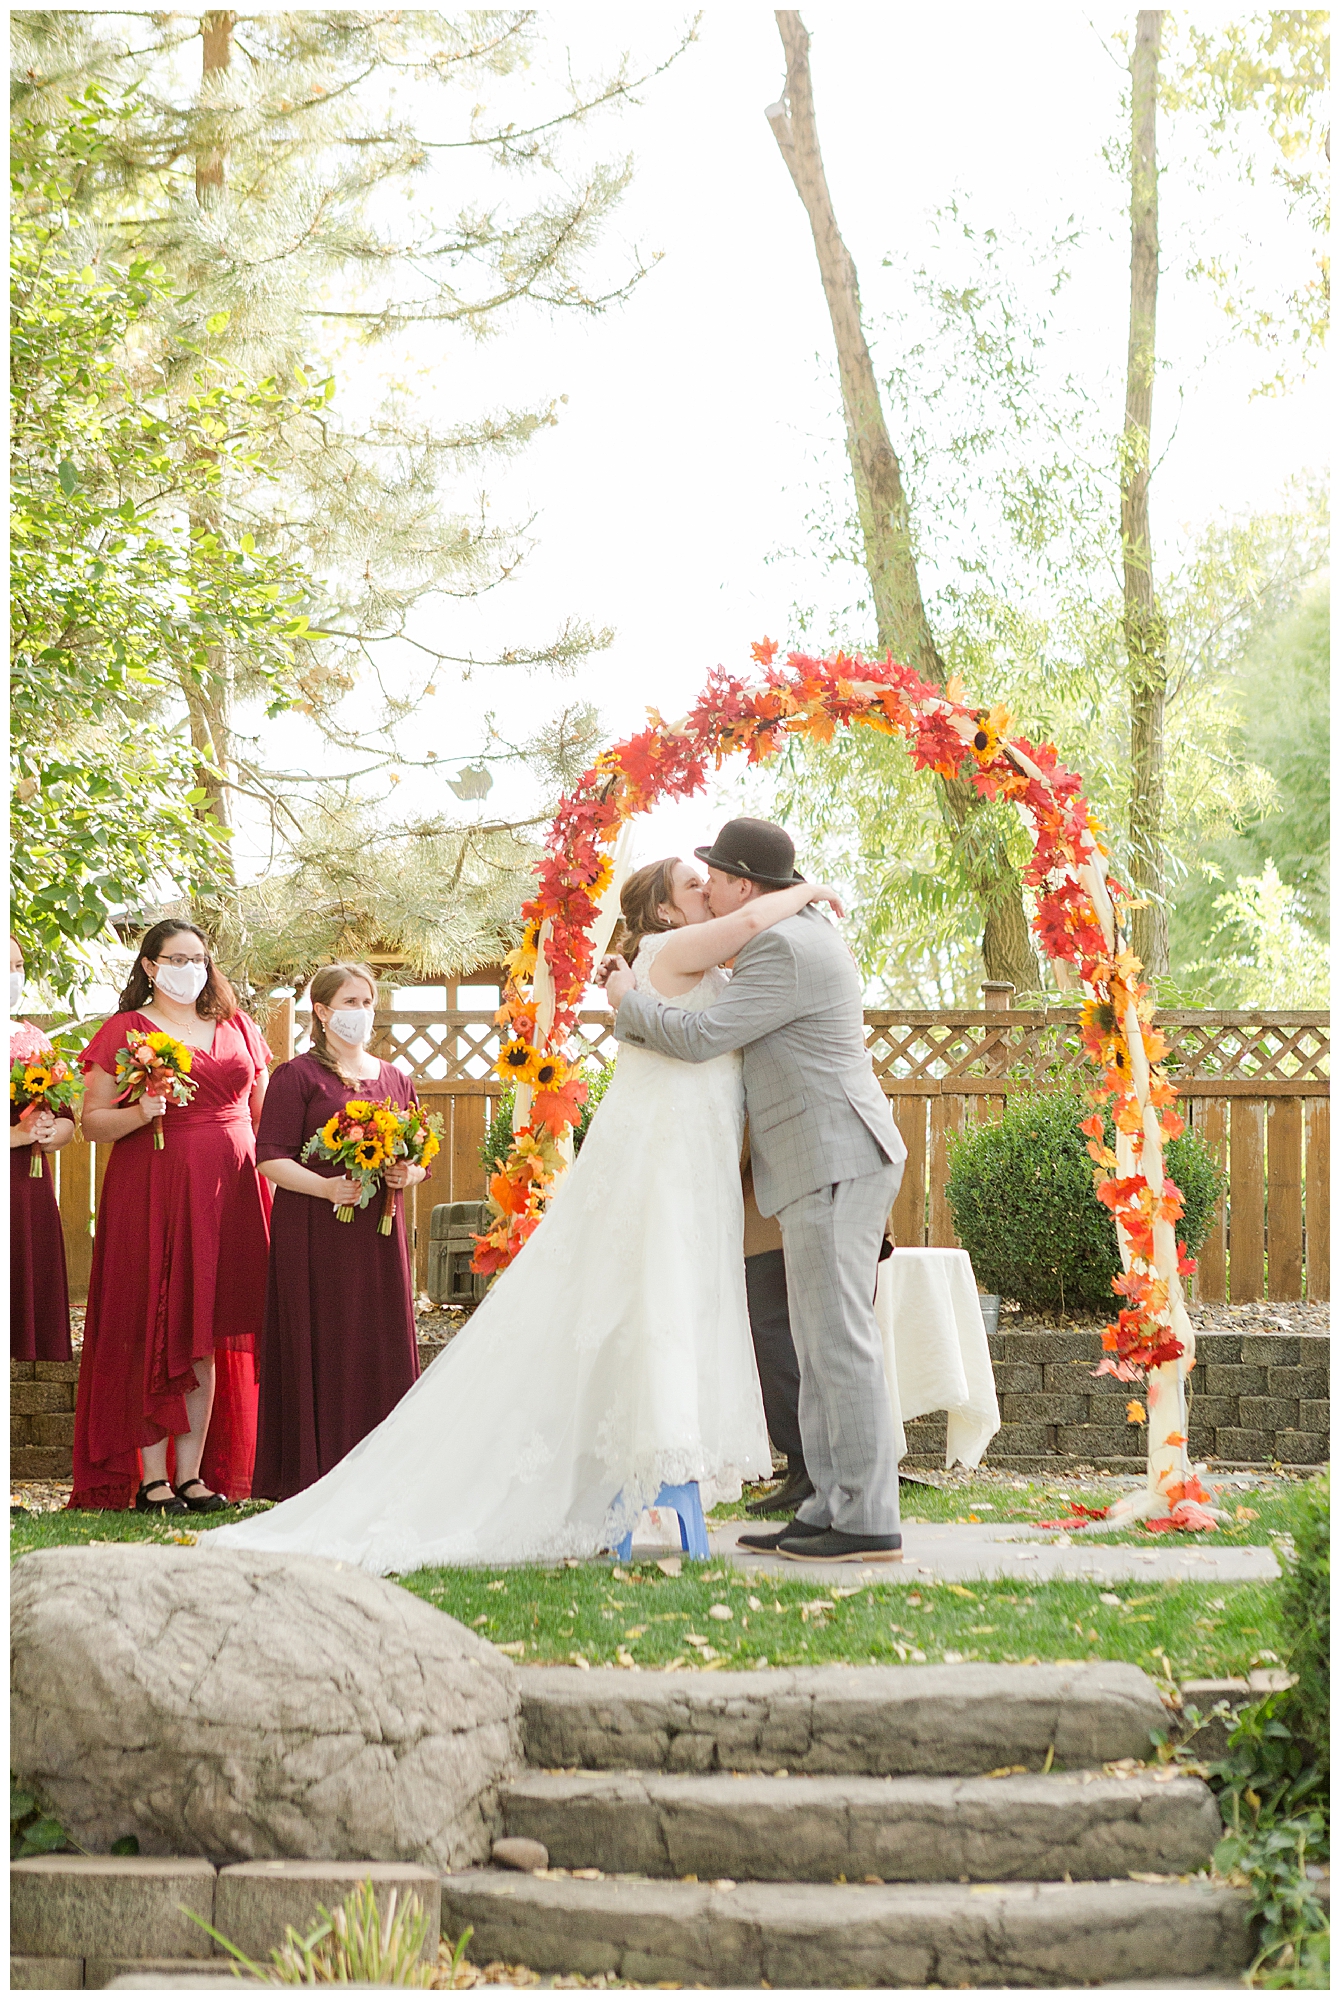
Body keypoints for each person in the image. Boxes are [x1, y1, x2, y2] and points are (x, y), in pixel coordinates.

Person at [206, 861, 839, 1571]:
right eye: (693, 885)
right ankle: (637, 1464)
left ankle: (651, 1469)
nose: (708, 891)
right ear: (662, 912)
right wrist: (810, 891)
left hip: (696, 1158)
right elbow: (753, 919)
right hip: (667, 1159)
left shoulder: (680, 957)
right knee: (654, 1301)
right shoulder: (669, 951)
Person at [606, 817, 907, 1565]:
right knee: (820, 1340)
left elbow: (704, 1038)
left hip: (834, 1154)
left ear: (744, 884)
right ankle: (828, 1505)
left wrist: (626, 1004)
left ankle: (866, 1518)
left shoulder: (781, 946)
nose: (710, 887)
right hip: (823, 1156)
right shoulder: (790, 935)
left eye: (716, 876)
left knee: (840, 1343)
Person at [71, 921, 273, 1515]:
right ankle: (151, 1478)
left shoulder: (238, 1026)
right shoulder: (124, 1030)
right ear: (150, 967)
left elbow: (267, 1115)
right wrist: (141, 1112)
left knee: (208, 1332)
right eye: (178, 959)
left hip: (231, 1190)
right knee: (154, 1325)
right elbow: (91, 1122)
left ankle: (192, 1476)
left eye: (201, 959)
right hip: (153, 1190)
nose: (192, 969)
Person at [246, 963, 427, 1500]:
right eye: (348, 1002)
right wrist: (325, 1189)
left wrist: (406, 1173)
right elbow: (268, 1157)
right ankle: (310, 1474)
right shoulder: (297, 1077)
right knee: (323, 1341)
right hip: (314, 1237)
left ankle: (382, 1474)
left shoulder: (395, 1078)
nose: (360, 1012)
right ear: (322, 1012)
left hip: (377, 1233)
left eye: (366, 1001)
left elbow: (421, 1158)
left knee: (377, 1342)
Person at [10, 936, 74, 1363]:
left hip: (27, 1190)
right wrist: (14, 1136)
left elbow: (67, 1114)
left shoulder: (33, 1038)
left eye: (17, 967)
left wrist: (54, 1131)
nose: (13, 977)